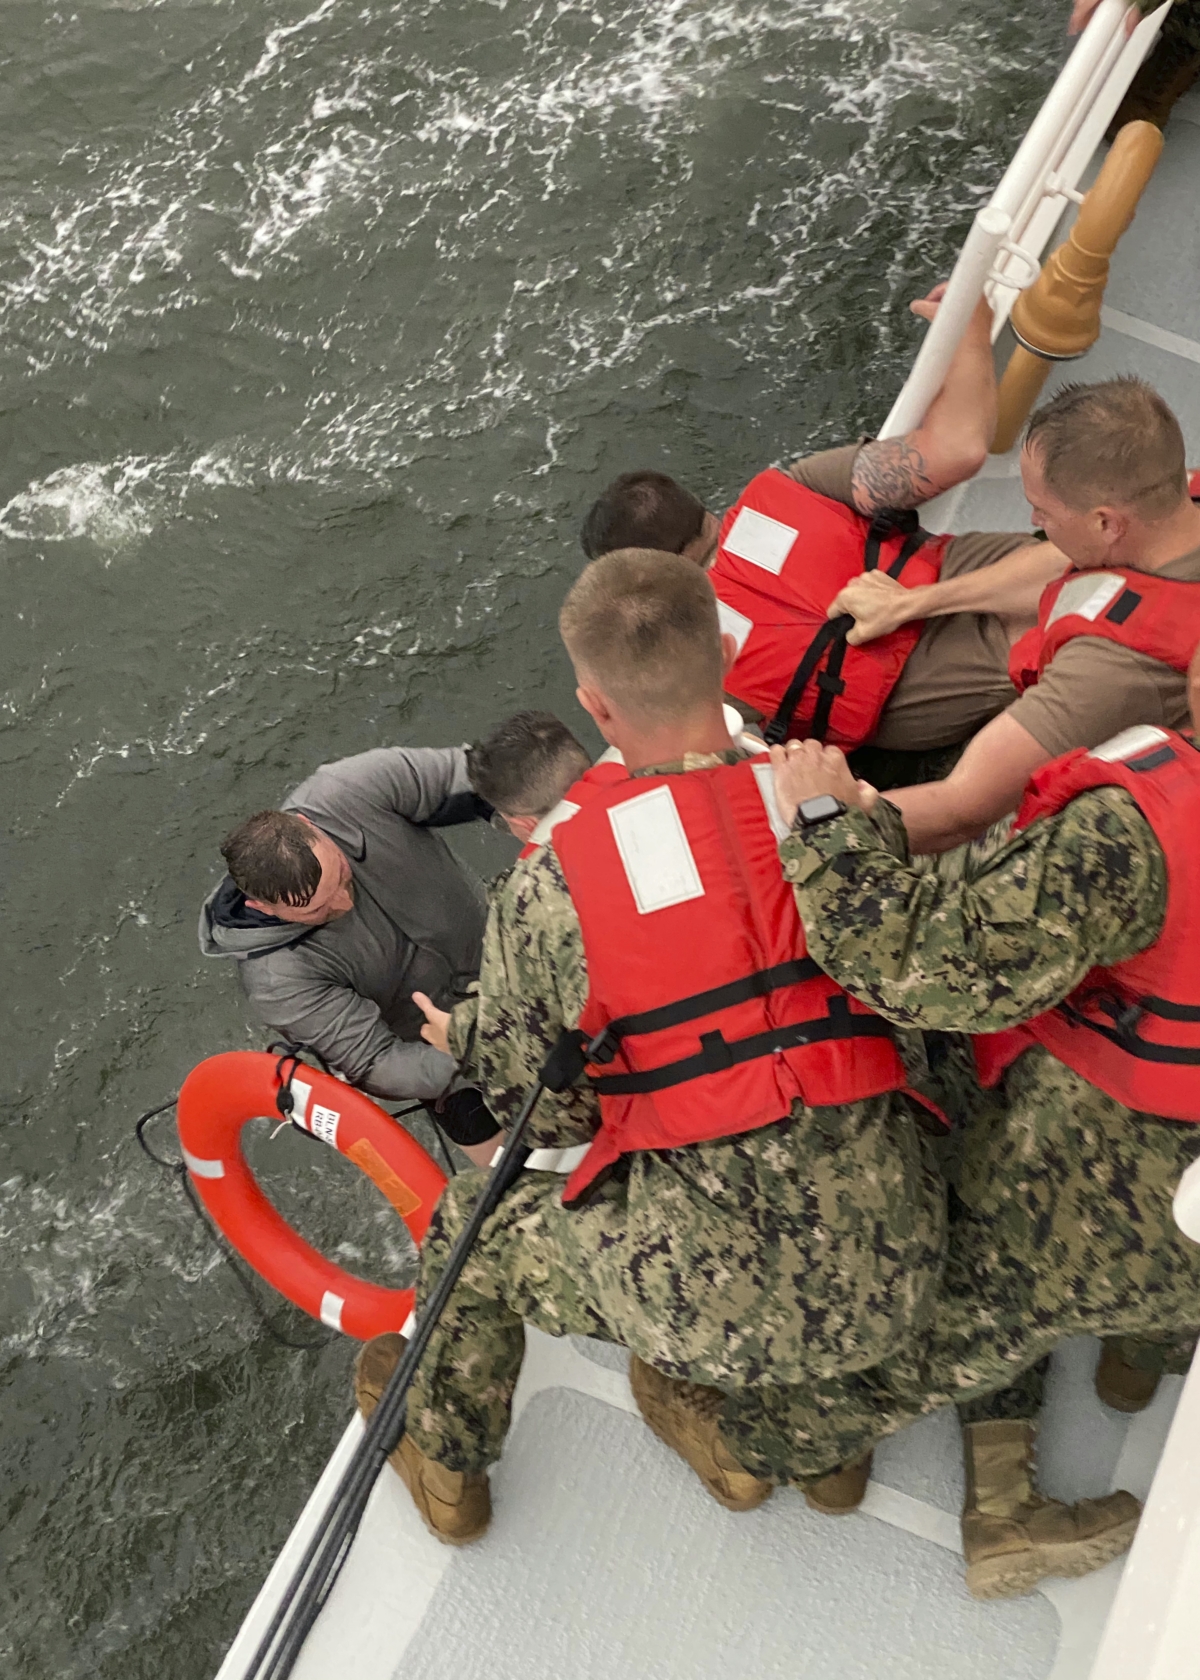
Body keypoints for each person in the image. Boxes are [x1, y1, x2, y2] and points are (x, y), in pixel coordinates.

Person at [354, 548, 951, 1546]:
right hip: (903, 1268)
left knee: (479, 1218)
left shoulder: (550, 890)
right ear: (724, 652)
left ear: (594, 704)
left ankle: (449, 1470)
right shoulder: (835, 807)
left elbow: (550, 1118)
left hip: (711, 1305)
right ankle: (834, 1456)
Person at [666, 719, 1200, 1599]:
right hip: (1185, 1238)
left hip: (1102, 1200)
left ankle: (751, 1449)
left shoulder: (1134, 832)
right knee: (1062, 1288)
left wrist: (829, 823)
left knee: (946, 1322)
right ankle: (1127, 1371)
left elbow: (926, 966)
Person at [580, 287, 1066, 758]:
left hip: (935, 699)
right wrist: (971, 326)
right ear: (700, 507)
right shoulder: (797, 485)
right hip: (1003, 571)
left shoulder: (695, 654)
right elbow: (960, 448)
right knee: (1090, 577)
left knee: (1078, 627)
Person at [854, 379, 1200, 852]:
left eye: (1043, 511)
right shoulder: (1174, 505)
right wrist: (912, 603)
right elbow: (1057, 561)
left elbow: (960, 808)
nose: (1035, 523)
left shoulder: (1114, 670)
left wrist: (808, 827)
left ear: (1105, 523)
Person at [198, 744, 501, 1167]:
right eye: (318, 910)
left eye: (341, 875)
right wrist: (490, 1054)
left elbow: (483, 772)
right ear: (262, 907)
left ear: (309, 825)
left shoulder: (350, 790)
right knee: (511, 1165)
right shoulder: (278, 980)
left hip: (509, 961)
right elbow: (378, 1061)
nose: (344, 901)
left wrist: (521, 817)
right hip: (440, 1059)